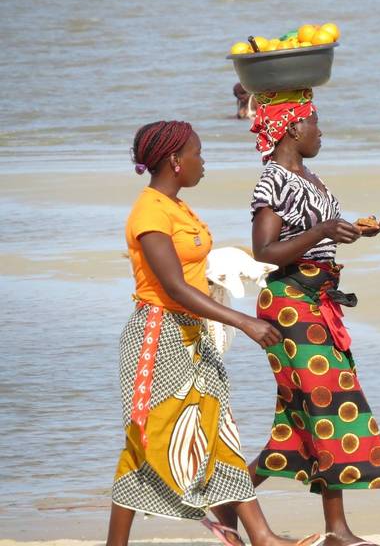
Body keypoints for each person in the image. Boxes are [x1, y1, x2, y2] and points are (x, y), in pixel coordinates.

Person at [107, 120, 319, 546]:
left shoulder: (178, 207)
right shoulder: (149, 211)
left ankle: (261, 538)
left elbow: (192, 271)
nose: (202, 162)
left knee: (218, 428)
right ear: (174, 160)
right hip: (159, 335)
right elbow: (173, 286)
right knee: (149, 437)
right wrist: (243, 320)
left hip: (191, 332)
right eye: (197, 154)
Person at [213, 90, 380, 546]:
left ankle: (231, 503)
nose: (321, 131)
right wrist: (324, 231)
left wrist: (349, 231)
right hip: (291, 302)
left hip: (318, 301)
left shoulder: (309, 176)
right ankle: (335, 529)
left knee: (304, 417)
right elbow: (265, 251)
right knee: (329, 404)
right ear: (292, 128)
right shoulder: (271, 179)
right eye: (314, 123)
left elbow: (316, 237)